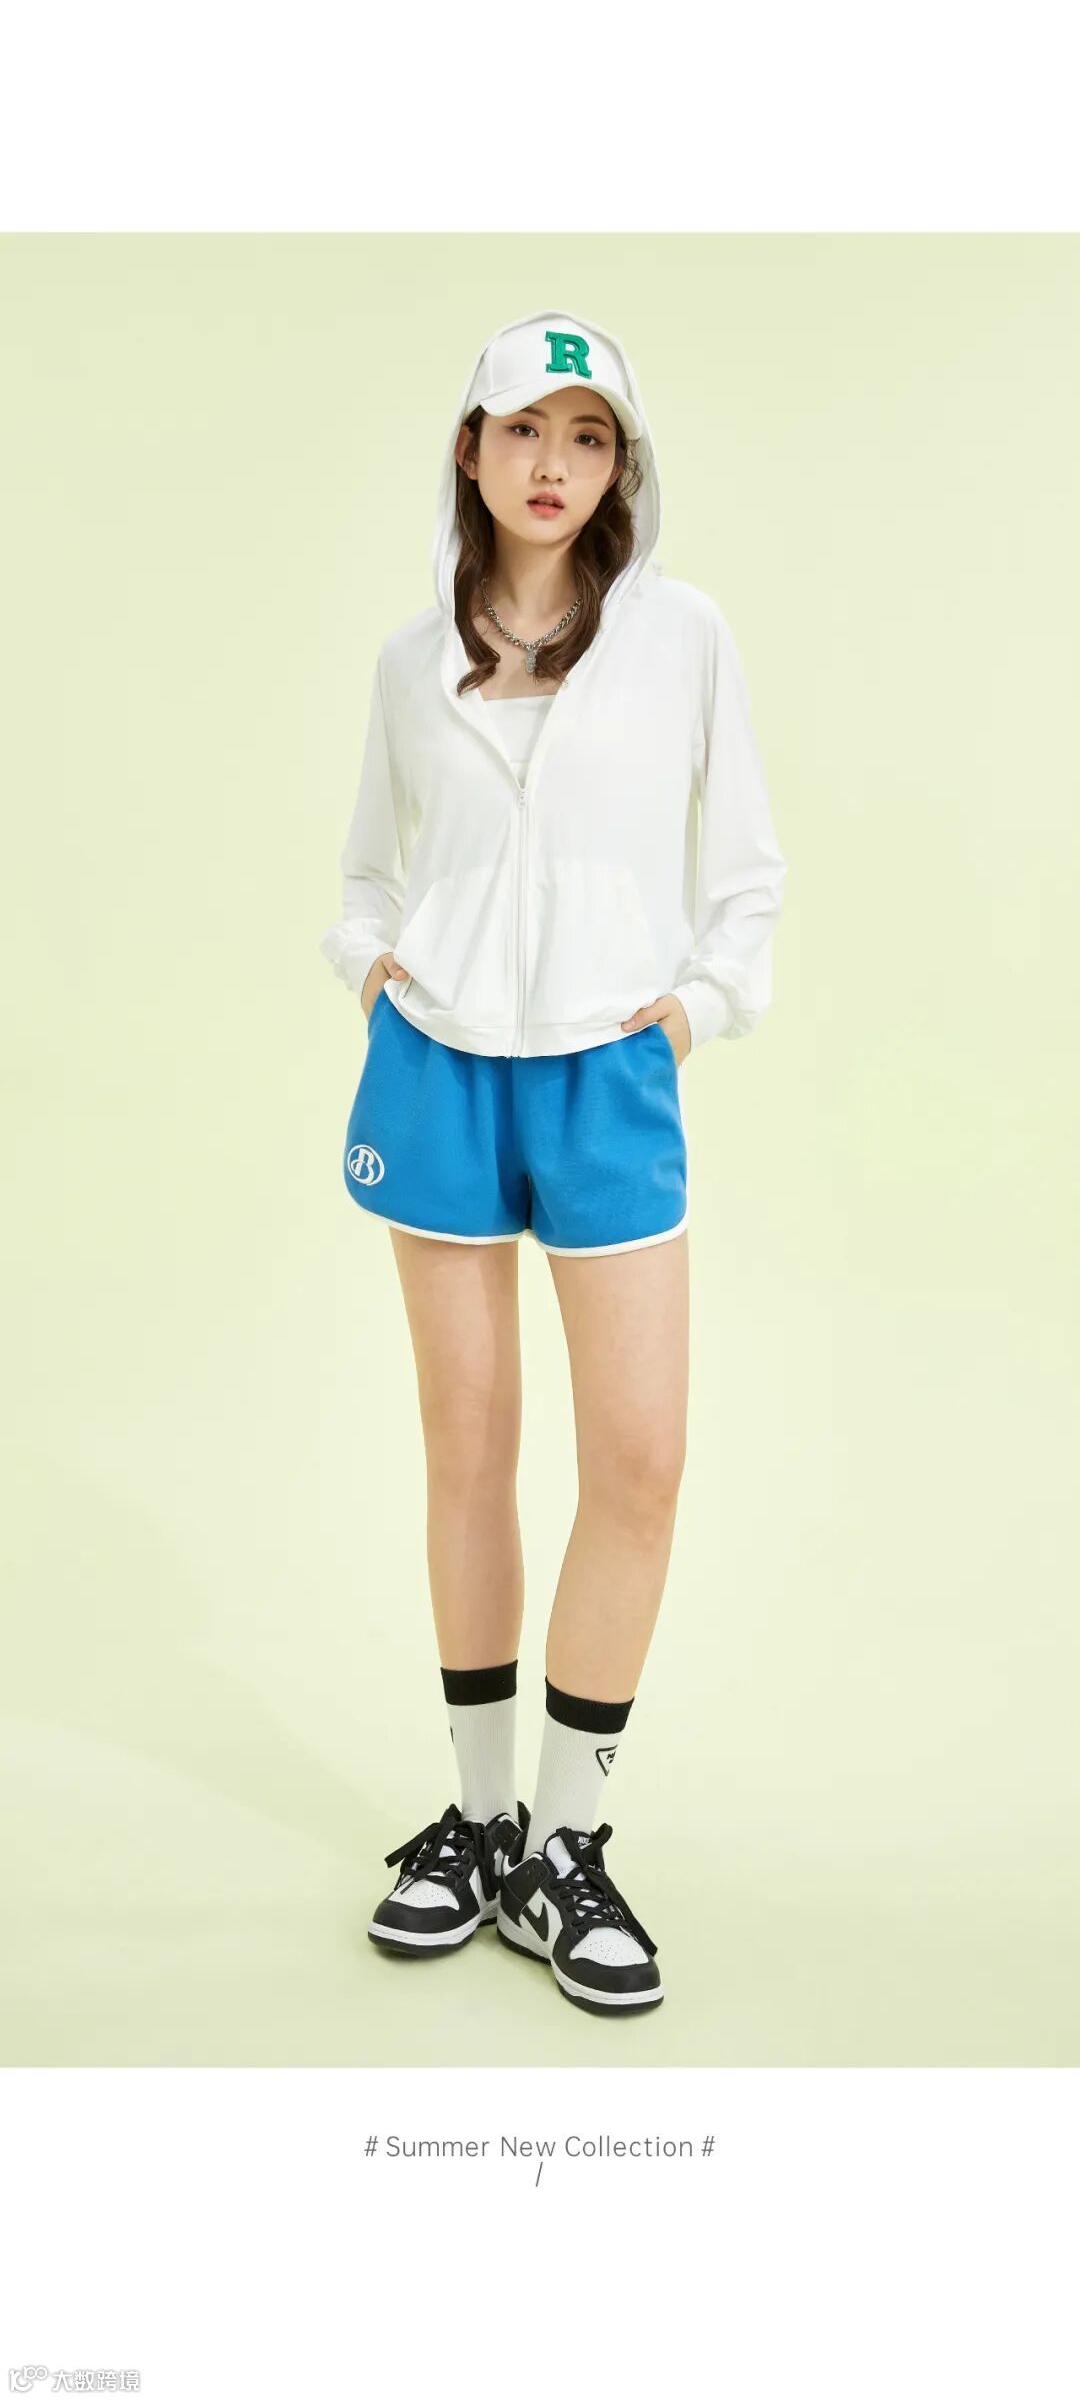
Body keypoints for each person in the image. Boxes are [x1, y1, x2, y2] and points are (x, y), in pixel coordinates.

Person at [320, 308, 788, 2016]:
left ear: (619, 465)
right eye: (524, 427)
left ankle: (566, 1844)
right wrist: (370, 968)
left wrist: (698, 1009)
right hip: (439, 1063)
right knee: (470, 1447)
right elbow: (365, 874)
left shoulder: (683, 637)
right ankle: (477, 1815)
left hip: (609, 1066)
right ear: (471, 447)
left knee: (640, 1458)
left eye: (588, 436)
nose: (553, 463)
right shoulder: (408, 661)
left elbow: (745, 868)